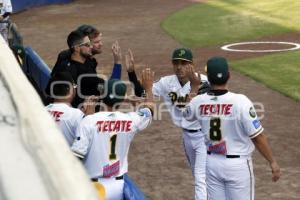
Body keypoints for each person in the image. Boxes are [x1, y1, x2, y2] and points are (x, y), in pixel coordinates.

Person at [184, 56, 281, 200]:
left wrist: (193, 89)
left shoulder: (198, 101)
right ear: (228, 76)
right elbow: (257, 137)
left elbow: (187, 113)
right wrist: (272, 161)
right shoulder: (241, 101)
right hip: (238, 166)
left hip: (212, 164)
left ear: (208, 79)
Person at [125, 48, 209, 200]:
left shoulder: (203, 82)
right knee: (200, 176)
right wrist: (131, 73)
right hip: (187, 137)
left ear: (192, 65)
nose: (179, 67)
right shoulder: (167, 82)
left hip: (205, 137)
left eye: (184, 63)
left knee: (200, 178)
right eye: (176, 63)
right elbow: (143, 94)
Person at [71, 69, 155, 200]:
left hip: (93, 188)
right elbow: (150, 109)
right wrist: (148, 89)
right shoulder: (131, 120)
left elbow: (76, 158)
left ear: (102, 95)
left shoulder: (89, 121)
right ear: (121, 100)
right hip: (118, 187)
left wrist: (86, 117)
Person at [46, 72, 97, 146]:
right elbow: (91, 140)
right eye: (74, 86)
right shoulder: (76, 115)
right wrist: (89, 115)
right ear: (69, 89)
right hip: (66, 157)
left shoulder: (41, 111)